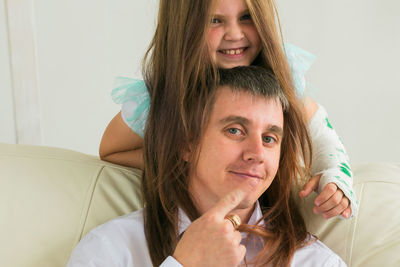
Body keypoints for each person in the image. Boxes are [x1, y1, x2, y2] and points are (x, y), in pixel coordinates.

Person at [99, 0, 357, 219]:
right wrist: (188, 160)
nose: (235, 34)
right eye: (215, 21)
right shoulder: (158, 97)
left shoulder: (281, 75)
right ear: (183, 28)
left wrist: (335, 175)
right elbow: (112, 150)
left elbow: (321, 132)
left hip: (267, 215)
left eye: (246, 17)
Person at [68, 66, 346, 266]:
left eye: (270, 138)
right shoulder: (110, 250)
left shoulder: (317, 262)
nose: (257, 153)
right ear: (187, 143)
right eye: (235, 130)